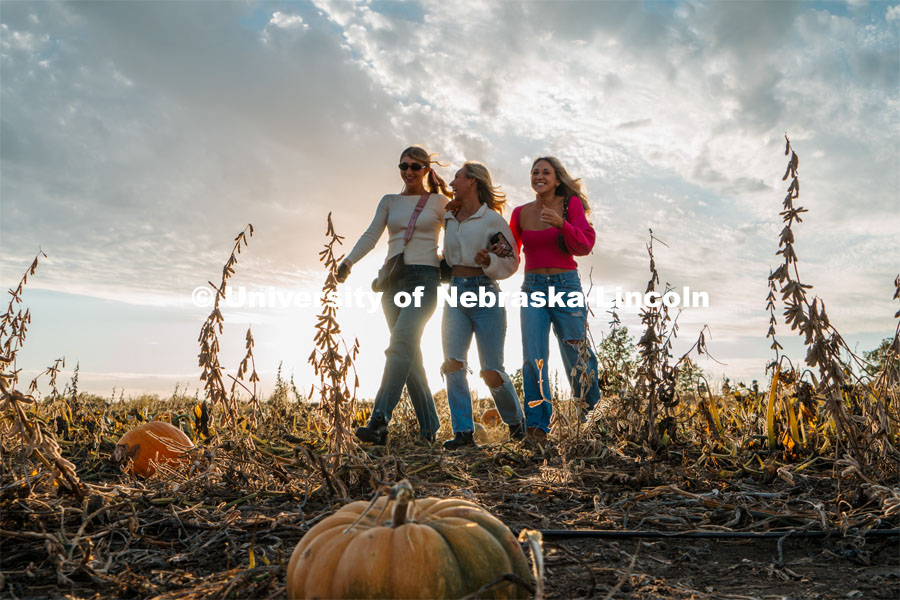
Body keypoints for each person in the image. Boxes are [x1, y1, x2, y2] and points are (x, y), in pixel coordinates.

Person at [336, 146, 452, 445]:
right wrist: (349, 261)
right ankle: (430, 426)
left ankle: (379, 420)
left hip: (424, 280)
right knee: (408, 354)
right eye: (404, 166)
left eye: (416, 167)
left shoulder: (441, 202)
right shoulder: (389, 202)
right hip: (392, 283)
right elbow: (371, 235)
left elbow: (455, 240)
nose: (409, 172)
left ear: (427, 169)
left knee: (399, 345)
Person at [509, 156, 602, 442]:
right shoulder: (520, 213)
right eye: (535, 172)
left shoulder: (568, 204)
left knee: (577, 354)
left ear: (557, 179)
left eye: (545, 172)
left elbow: (584, 244)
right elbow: (510, 256)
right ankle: (537, 428)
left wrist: (562, 224)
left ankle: (594, 421)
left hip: (565, 284)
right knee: (533, 359)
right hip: (533, 288)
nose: (539, 176)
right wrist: (490, 254)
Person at [440, 161, 526, 450]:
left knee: (491, 370)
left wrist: (489, 261)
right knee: (453, 364)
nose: (452, 183)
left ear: (473, 181)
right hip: (455, 293)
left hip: (486, 293)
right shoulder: (450, 217)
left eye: (457, 177)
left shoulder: (491, 221)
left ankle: (516, 425)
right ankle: (463, 433)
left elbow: (512, 261)